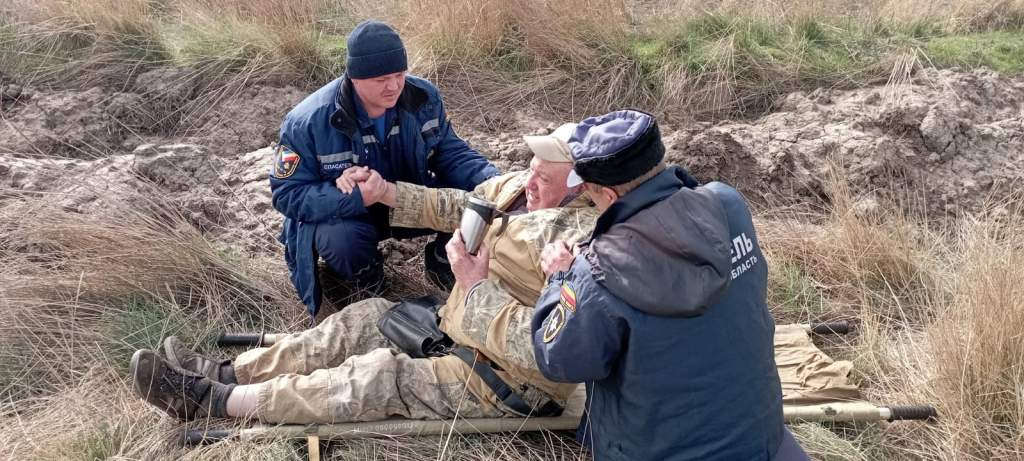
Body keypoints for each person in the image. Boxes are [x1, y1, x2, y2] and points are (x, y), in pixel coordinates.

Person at [130, 125, 601, 425]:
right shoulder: (517, 188)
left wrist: (475, 288)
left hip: (507, 377)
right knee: (362, 319)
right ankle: (227, 372)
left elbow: (551, 351)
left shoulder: (582, 245)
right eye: (531, 169)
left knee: (377, 378)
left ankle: (210, 401)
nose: (531, 181)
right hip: (454, 324)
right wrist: (385, 192)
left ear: (580, 186)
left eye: (545, 178)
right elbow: (456, 205)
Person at [531, 110, 810, 460]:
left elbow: (560, 362)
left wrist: (560, 278)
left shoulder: (596, 273)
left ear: (610, 196)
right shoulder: (727, 205)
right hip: (760, 439)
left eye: (590, 190)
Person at [270, 20, 499, 319]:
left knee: (479, 200)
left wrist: (494, 182)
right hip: (353, 214)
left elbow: (452, 153)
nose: (393, 86)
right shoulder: (307, 122)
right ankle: (367, 282)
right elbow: (287, 195)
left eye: (399, 74)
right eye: (380, 79)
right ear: (354, 76)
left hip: (409, 201)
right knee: (338, 238)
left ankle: (445, 262)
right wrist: (355, 197)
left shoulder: (423, 97)